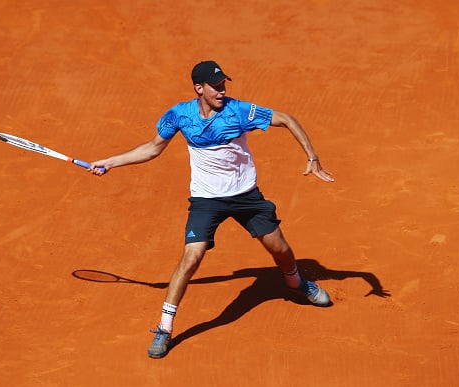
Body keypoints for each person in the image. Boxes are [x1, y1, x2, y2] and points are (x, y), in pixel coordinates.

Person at [89, 60, 335, 359]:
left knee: (280, 250)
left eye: (223, 85)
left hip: (247, 197)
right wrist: (110, 161)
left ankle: (297, 282)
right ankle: (165, 329)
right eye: (216, 86)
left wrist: (313, 157)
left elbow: (287, 119)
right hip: (206, 200)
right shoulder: (179, 115)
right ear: (199, 88)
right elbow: (153, 148)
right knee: (191, 257)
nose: (222, 90)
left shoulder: (239, 111)